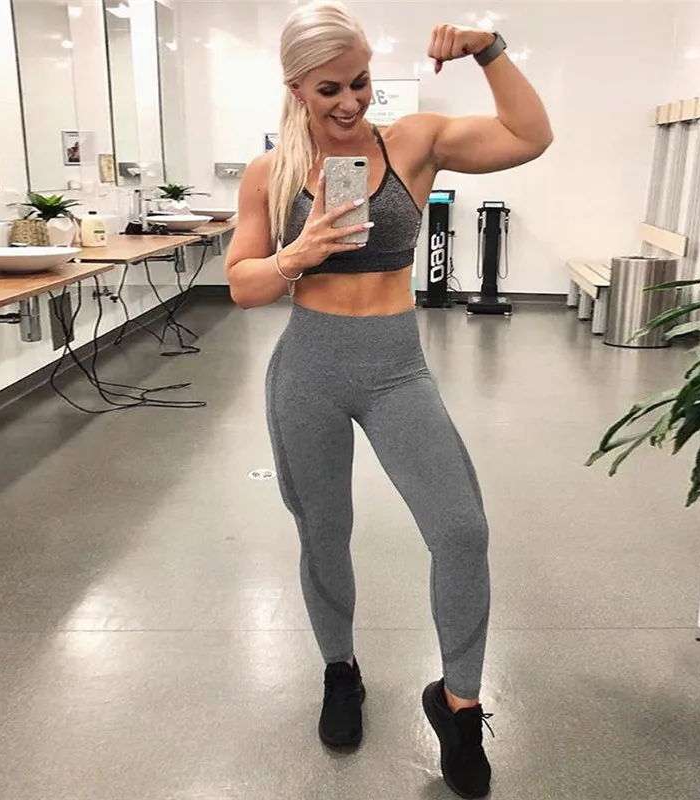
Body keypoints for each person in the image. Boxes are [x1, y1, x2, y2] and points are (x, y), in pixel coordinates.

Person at [226, 3, 552, 797]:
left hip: (397, 368)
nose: (350, 102)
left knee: (462, 529)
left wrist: (489, 49)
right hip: (308, 369)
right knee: (324, 533)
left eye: (361, 82)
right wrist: (298, 253)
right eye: (329, 89)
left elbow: (530, 135)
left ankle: (459, 704)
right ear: (296, 89)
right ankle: (340, 670)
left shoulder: (413, 142)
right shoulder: (270, 173)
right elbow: (241, 285)